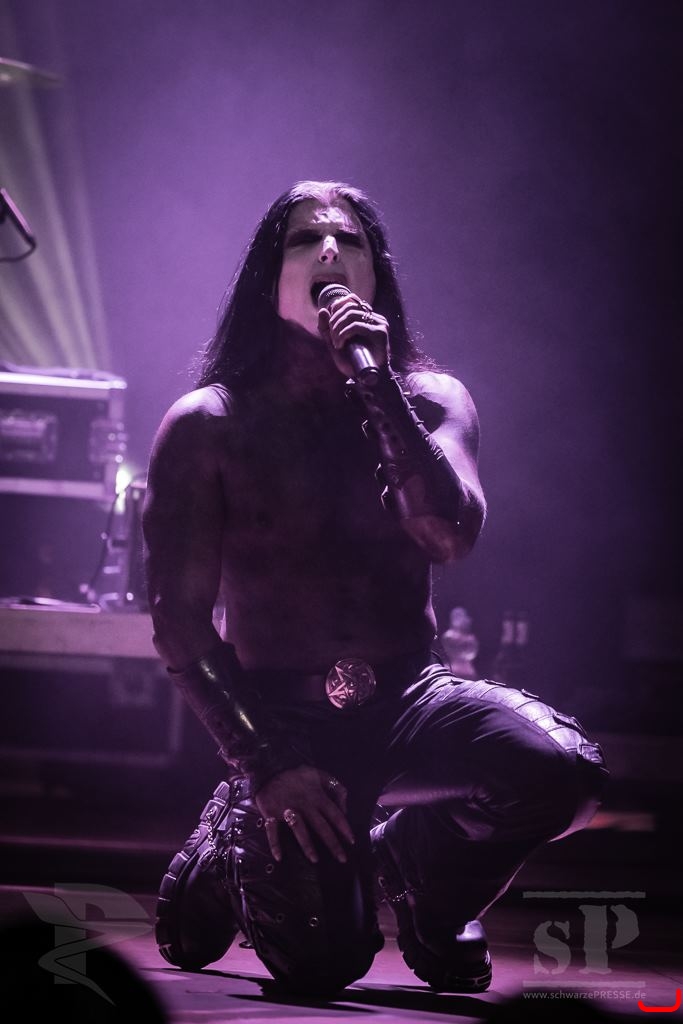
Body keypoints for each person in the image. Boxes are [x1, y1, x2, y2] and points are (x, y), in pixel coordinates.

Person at [142, 180, 608, 998]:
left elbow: (447, 535)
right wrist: (266, 761)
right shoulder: (207, 424)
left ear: (374, 273)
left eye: (348, 239)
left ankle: (417, 880)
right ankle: (226, 848)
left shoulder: (431, 400)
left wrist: (376, 385)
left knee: (562, 770)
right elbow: (179, 621)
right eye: (304, 239)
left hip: (408, 700)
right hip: (285, 723)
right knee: (323, 966)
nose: (329, 250)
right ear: (268, 277)